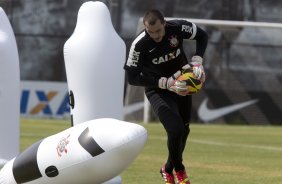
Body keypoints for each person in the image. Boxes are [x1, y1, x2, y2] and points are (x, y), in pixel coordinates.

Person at [123, 9, 208, 184]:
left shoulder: (177, 27)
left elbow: (202, 35)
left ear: (164, 23)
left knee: (184, 131)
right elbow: (132, 77)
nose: (155, 35)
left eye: (158, 31)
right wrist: (163, 83)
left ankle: (167, 168)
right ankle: (180, 170)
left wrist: (198, 60)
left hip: (183, 84)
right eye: (150, 32)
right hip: (158, 90)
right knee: (175, 128)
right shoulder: (140, 44)